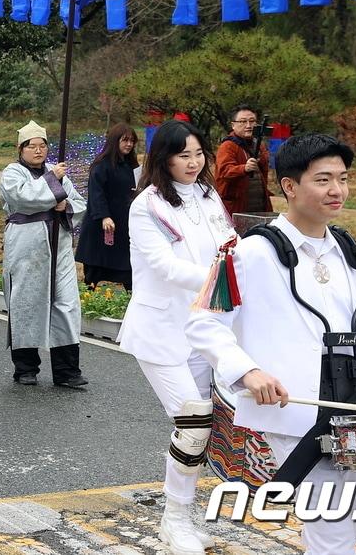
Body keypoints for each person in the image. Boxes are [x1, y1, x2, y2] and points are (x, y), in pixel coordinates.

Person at [187, 134, 356, 555]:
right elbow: (203, 323)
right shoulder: (247, 254)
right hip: (296, 413)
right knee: (332, 528)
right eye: (322, 180)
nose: (336, 190)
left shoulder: (347, 250)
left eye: (342, 178)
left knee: (353, 517)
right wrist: (247, 371)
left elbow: (354, 333)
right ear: (289, 186)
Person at [120, 119, 236, 555]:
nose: (192, 162)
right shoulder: (146, 204)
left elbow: (230, 245)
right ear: (163, 158)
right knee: (193, 422)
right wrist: (222, 280)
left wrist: (242, 268)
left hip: (207, 328)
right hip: (162, 331)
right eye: (182, 155)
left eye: (198, 154)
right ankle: (176, 520)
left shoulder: (209, 195)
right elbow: (164, 266)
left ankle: (183, 512)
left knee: (211, 423)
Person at [0, 120, 89, 388]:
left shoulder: (55, 171)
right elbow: (23, 198)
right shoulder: (12, 172)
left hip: (58, 245)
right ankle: (26, 368)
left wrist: (65, 206)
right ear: (21, 149)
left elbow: (79, 203)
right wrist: (54, 185)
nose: (38, 151)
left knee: (66, 304)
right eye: (32, 146)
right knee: (26, 302)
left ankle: (67, 370)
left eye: (42, 146)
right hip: (27, 246)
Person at [76, 124, 140, 289]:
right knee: (96, 264)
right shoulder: (101, 165)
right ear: (114, 141)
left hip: (124, 221)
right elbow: (96, 193)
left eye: (132, 141)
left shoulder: (131, 165)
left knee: (126, 264)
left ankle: (129, 296)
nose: (129, 144)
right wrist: (104, 216)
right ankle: (90, 293)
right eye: (125, 140)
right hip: (103, 221)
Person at [215, 104, 272, 216]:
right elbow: (224, 172)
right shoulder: (228, 146)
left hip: (260, 205)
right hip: (236, 207)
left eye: (252, 121)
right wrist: (244, 168)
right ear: (233, 125)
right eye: (243, 121)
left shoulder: (259, 145)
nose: (248, 125)